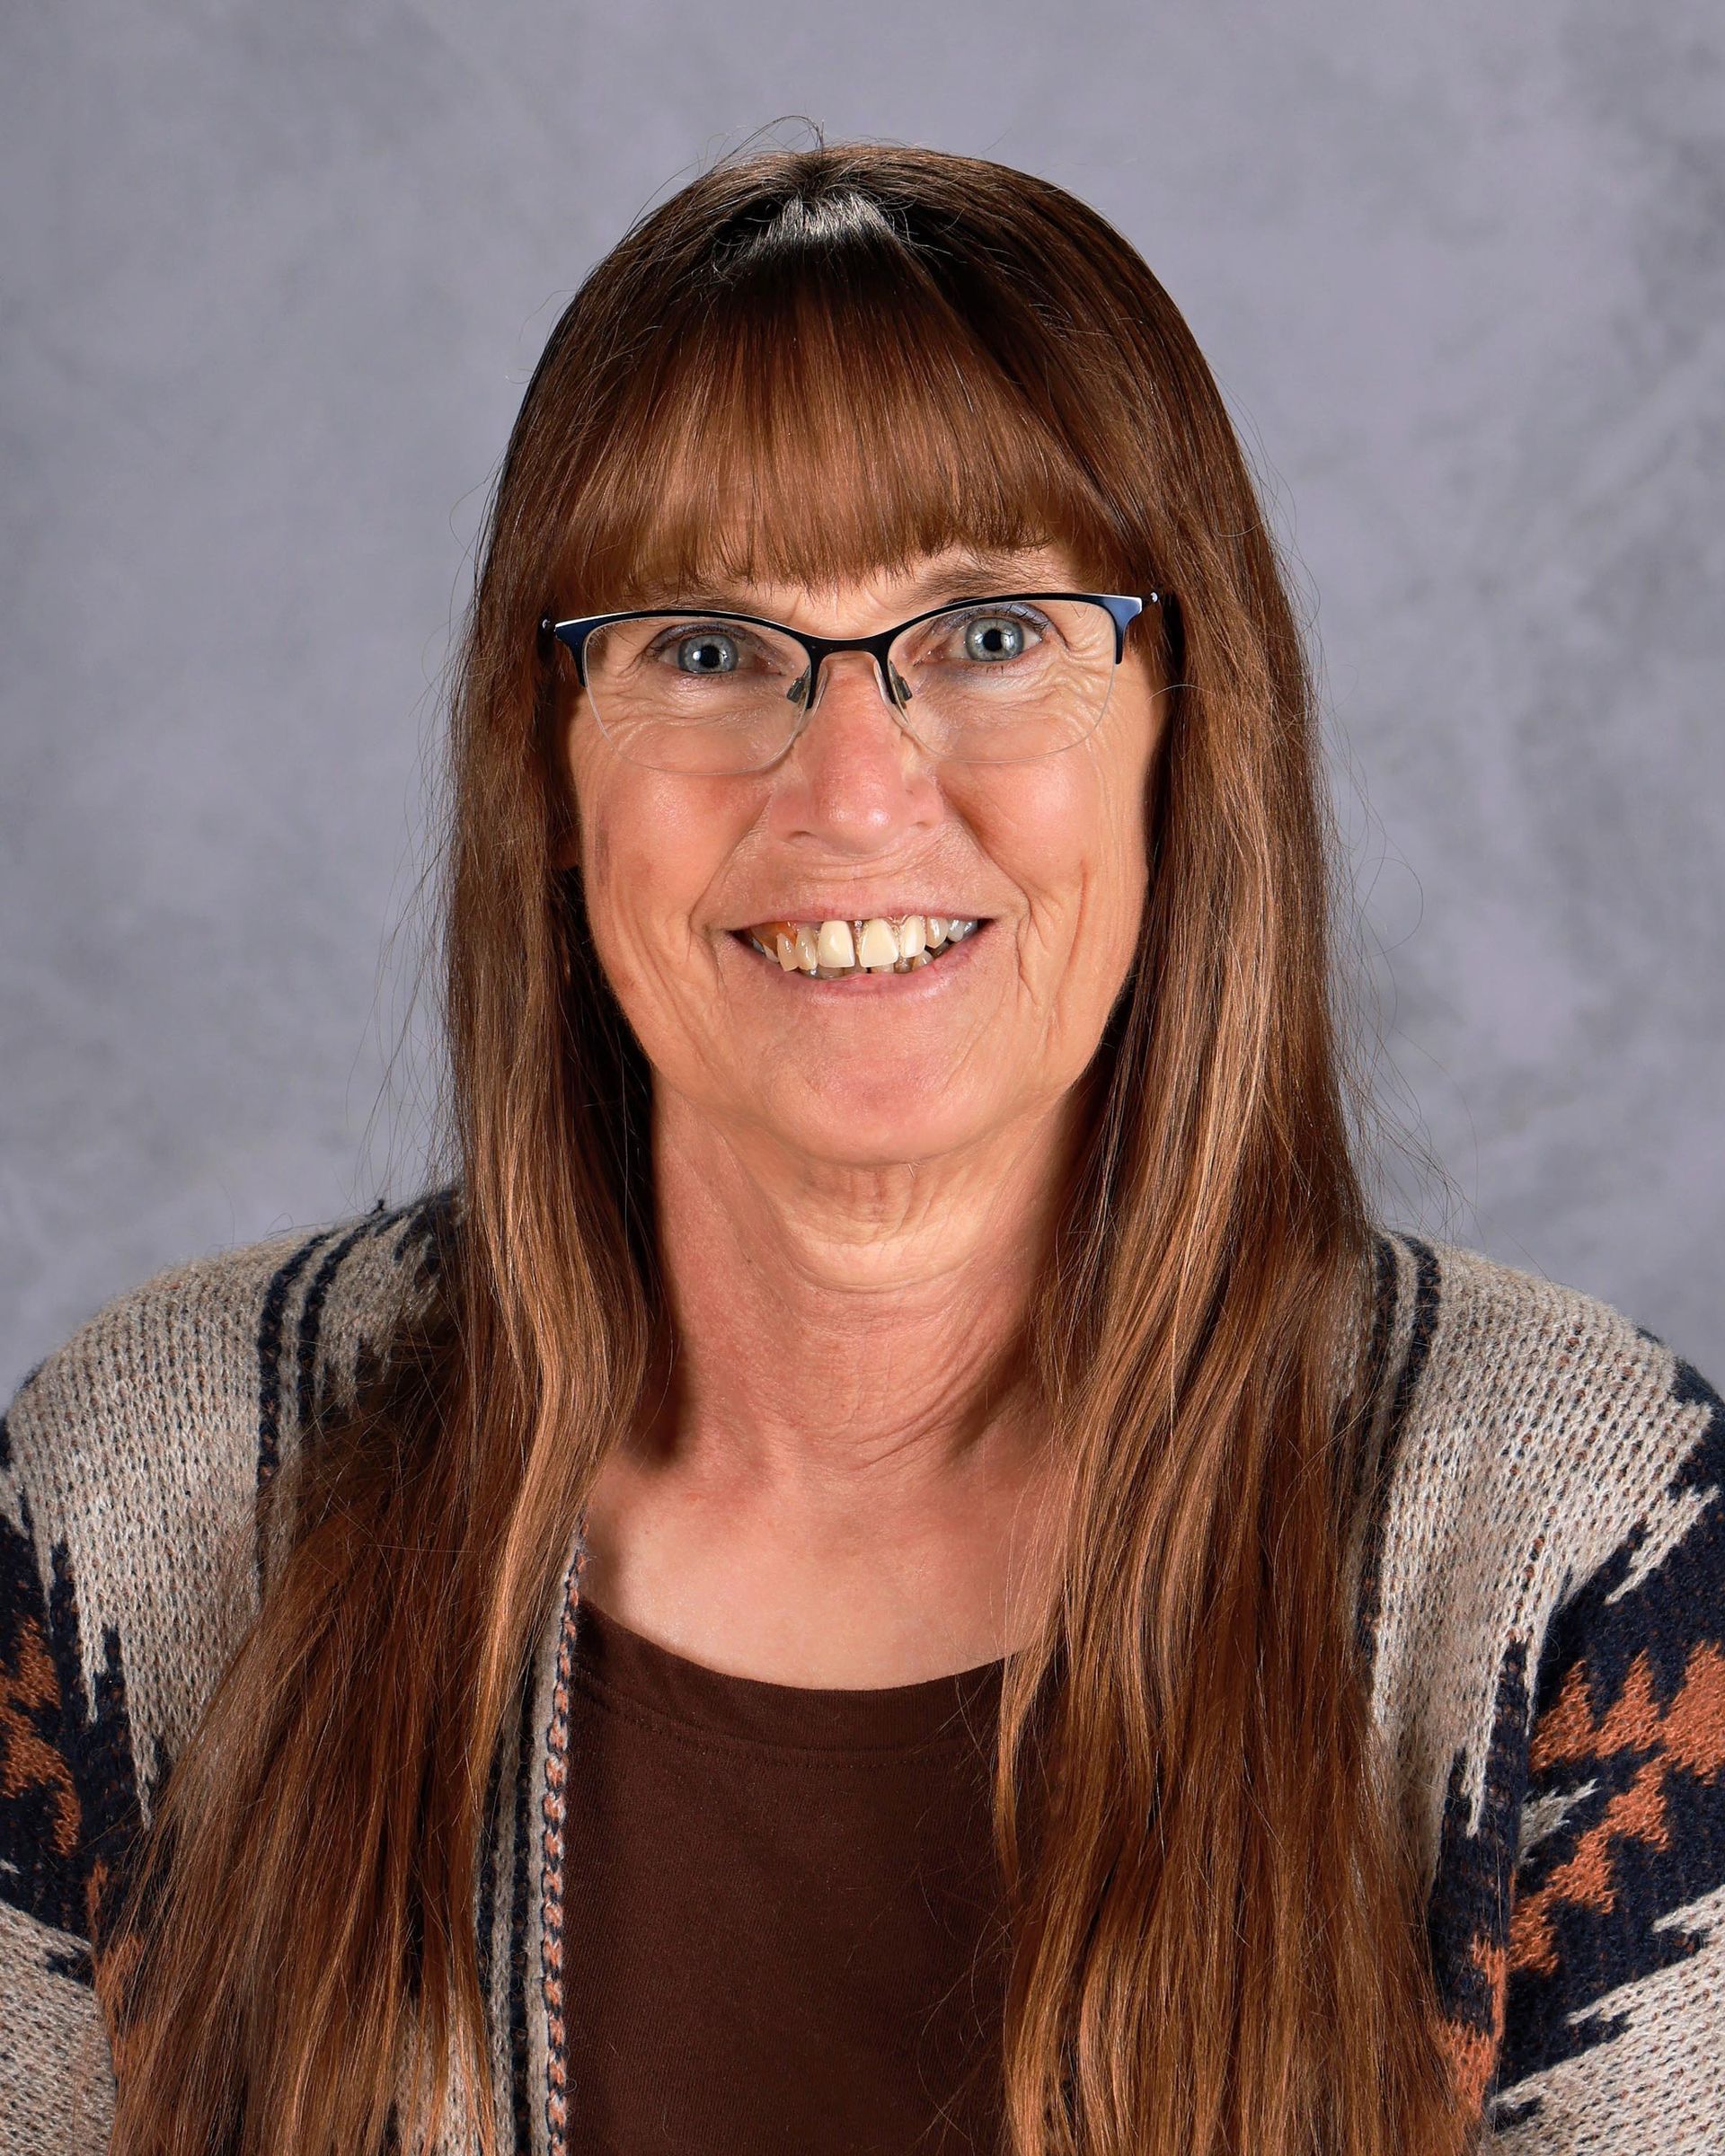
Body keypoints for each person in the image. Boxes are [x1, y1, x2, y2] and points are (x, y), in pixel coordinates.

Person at [2, 139, 1720, 2156]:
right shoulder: (144, 1511)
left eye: (992, 632)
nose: (852, 788)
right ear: (547, 778)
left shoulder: (1577, 1553)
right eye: (706, 647)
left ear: (1188, 726)